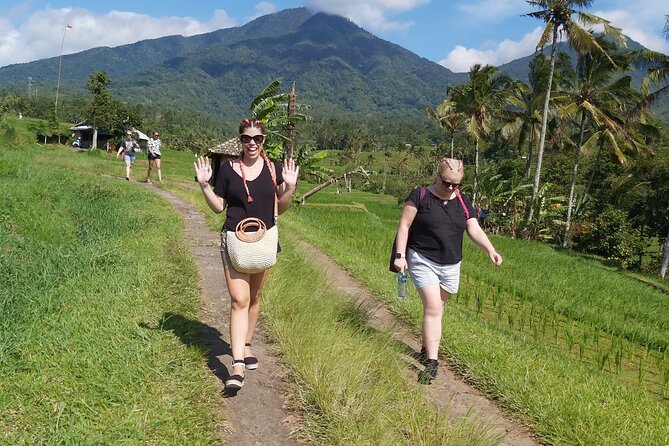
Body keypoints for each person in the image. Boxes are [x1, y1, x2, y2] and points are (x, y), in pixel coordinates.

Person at [193, 118, 299, 390]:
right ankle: (237, 363)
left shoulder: (274, 170)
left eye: (257, 139)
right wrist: (205, 185)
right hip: (234, 238)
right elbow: (218, 207)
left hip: (263, 239)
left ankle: (248, 343)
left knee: (254, 297)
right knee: (239, 299)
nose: (252, 143)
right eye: (246, 138)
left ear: (263, 141)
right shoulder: (228, 170)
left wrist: (289, 188)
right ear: (240, 140)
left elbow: (282, 208)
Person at [392, 158, 502, 384]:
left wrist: (490, 249)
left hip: (451, 263)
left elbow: (474, 228)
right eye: (447, 183)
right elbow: (404, 226)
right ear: (437, 177)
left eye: (456, 184)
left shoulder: (463, 202)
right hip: (422, 257)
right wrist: (400, 256)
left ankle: (426, 346)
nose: (451, 188)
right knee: (433, 307)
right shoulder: (420, 195)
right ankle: (432, 362)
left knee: (438, 309)